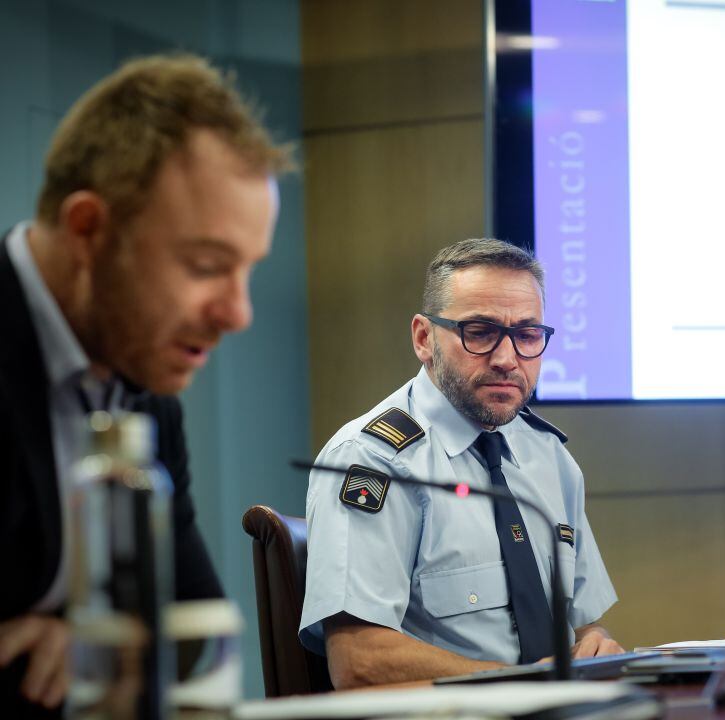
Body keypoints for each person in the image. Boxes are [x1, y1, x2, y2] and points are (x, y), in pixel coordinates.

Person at [0, 54, 292, 714]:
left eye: (248, 271)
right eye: (206, 265)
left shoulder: (144, 388)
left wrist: (84, 642)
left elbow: (192, 636)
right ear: (87, 230)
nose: (238, 313)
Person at [301, 238, 622, 688]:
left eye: (528, 334)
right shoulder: (371, 460)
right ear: (423, 338)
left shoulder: (549, 457)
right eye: (480, 332)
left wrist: (596, 642)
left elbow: (583, 623)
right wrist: (522, 684)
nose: (508, 359)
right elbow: (359, 661)